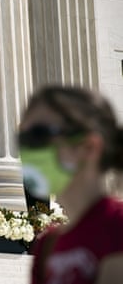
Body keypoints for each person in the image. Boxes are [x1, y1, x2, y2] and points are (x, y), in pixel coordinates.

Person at [18, 85, 123, 284]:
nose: (28, 151)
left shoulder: (117, 228)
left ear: (89, 146)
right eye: (23, 139)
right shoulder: (47, 246)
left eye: (39, 136)